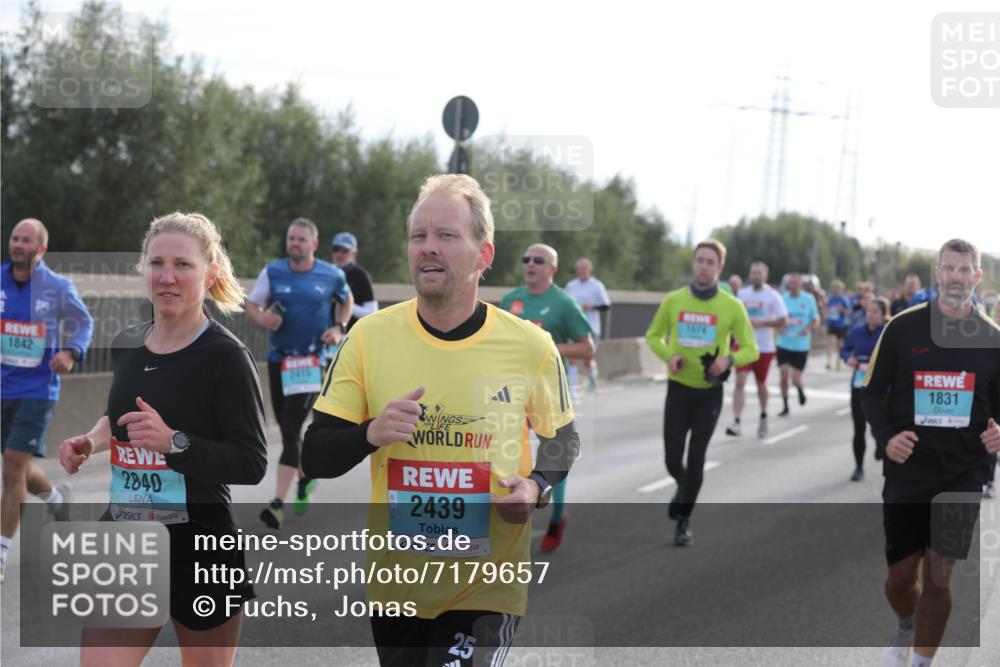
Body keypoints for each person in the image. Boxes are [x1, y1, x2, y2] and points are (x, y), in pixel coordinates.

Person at [301, 174, 579, 667]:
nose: (428, 248)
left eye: (446, 236)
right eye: (419, 236)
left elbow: (563, 439)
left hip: (486, 587)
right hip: (398, 588)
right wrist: (370, 433)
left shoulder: (530, 345)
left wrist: (535, 487)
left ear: (483, 254)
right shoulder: (368, 338)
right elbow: (315, 453)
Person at [58, 212, 267, 666]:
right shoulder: (127, 342)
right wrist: (93, 441)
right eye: (157, 263)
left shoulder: (227, 357)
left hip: (200, 546)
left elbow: (251, 462)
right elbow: (120, 418)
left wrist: (176, 443)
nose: (167, 277)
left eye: (182, 265)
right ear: (143, 269)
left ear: (209, 273)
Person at [861, 238, 1000, 667]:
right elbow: (870, 393)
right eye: (949, 268)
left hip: (962, 473)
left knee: (939, 577)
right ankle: (906, 623)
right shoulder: (902, 328)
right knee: (901, 579)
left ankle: (922, 661)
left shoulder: (993, 340)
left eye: (965, 270)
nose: (956, 277)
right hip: (908, 471)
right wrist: (887, 439)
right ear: (937, 273)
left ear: (977, 277)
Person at [645, 239, 759, 546]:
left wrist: (729, 360)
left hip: (709, 391)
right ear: (693, 264)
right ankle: (684, 487)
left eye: (711, 262)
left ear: (720, 268)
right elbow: (653, 336)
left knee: (696, 458)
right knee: (672, 457)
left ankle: (683, 520)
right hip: (679, 388)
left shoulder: (732, 306)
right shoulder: (674, 300)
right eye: (700, 260)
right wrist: (668, 355)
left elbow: (752, 348)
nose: (704, 266)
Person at [1, 218, 93, 582]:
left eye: (26, 241)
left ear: (41, 249)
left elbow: (84, 323)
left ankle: (2, 552)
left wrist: (71, 352)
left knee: (10, 470)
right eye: (14, 238)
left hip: (37, 391)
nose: (18, 245)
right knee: (16, 467)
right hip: (3, 387)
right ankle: (56, 500)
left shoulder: (57, 287)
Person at [246, 218, 353, 529]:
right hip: (279, 360)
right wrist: (262, 319)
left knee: (292, 430)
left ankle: (277, 503)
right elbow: (251, 304)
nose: (294, 243)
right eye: (291, 238)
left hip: (310, 362)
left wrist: (339, 327)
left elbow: (347, 300)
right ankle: (305, 477)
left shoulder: (330, 274)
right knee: (286, 428)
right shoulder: (274, 271)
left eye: (301, 240)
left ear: (313, 245)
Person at [503, 245, 594, 552]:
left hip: (549, 391)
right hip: (512, 391)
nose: (530, 264)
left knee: (553, 452)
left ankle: (557, 516)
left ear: (552, 269)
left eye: (538, 261)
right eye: (526, 259)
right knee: (508, 450)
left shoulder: (563, 303)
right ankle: (509, 508)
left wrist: (547, 346)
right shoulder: (509, 301)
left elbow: (587, 348)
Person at [726, 261, 787, 439]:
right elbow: (732, 317)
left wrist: (763, 323)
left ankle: (763, 415)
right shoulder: (742, 294)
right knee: (740, 382)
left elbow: (783, 320)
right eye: (753, 273)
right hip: (743, 345)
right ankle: (736, 422)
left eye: (759, 273)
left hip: (764, 347)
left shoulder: (773, 296)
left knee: (761, 384)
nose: (756, 276)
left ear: (765, 276)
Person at [840, 296, 889, 481]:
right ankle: (858, 467)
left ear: (883, 314)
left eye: (875, 311)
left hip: (881, 387)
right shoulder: (857, 331)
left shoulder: (887, 331)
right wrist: (848, 358)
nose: (871, 315)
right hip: (859, 384)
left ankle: (879, 442)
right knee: (858, 427)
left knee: (878, 424)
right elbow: (844, 349)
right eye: (869, 311)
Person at [775, 272, 821, 417]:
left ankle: (800, 389)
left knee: (795, 378)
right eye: (791, 283)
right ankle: (785, 405)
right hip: (784, 343)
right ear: (788, 284)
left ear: (800, 284)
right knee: (783, 375)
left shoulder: (808, 299)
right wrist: (779, 326)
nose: (793, 285)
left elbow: (816, 319)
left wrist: (808, 328)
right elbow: (776, 317)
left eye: (796, 282)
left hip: (801, 345)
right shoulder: (782, 299)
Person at [564, 256, 611, 393]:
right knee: (571, 357)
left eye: (584, 268)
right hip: (573, 327)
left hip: (591, 327)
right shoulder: (571, 286)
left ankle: (592, 380)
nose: (581, 271)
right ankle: (572, 390)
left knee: (587, 358)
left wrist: (592, 307)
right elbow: (565, 303)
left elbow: (606, 306)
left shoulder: (596, 285)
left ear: (589, 269)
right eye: (579, 269)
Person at [330, 231, 378, 332]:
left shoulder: (361, 275)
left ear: (354, 253)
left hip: (352, 335)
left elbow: (372, 312)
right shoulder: (328, 273)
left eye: (344, 250)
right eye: (336, 249)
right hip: (326, 336)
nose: (339, 254)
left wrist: (346, 304)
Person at [825, 279, 851, 370]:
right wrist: (826, 314)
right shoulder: (830, 298)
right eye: (834, 288)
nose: (836, 290)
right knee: (829, 343)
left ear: (841, 289)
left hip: (840, 325)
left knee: (839, 345)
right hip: (831, 323)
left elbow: (849, 312)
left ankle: (838, 361)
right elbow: (827, 309)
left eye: (838, 288)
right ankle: (828, 361)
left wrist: (842, 310)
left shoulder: (844, 299)